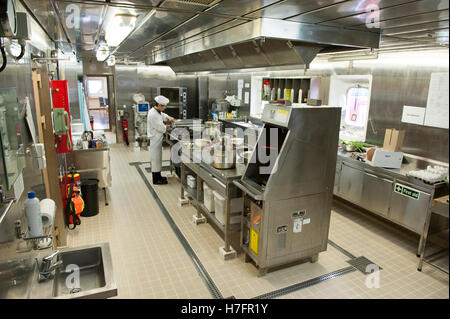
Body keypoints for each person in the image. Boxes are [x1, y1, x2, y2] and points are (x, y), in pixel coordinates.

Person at [147, 95, 176, 184]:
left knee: (158, 158)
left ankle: (158, 176)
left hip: (157, 138)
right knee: (155, 158)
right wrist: (167, 126)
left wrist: (169, 117)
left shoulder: (156, 111)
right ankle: (156, 179)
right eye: (163, 106)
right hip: (155, 138)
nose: (164, 108)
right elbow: (160, 127)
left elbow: (162, 115)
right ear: (159, 105)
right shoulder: (153, 114)